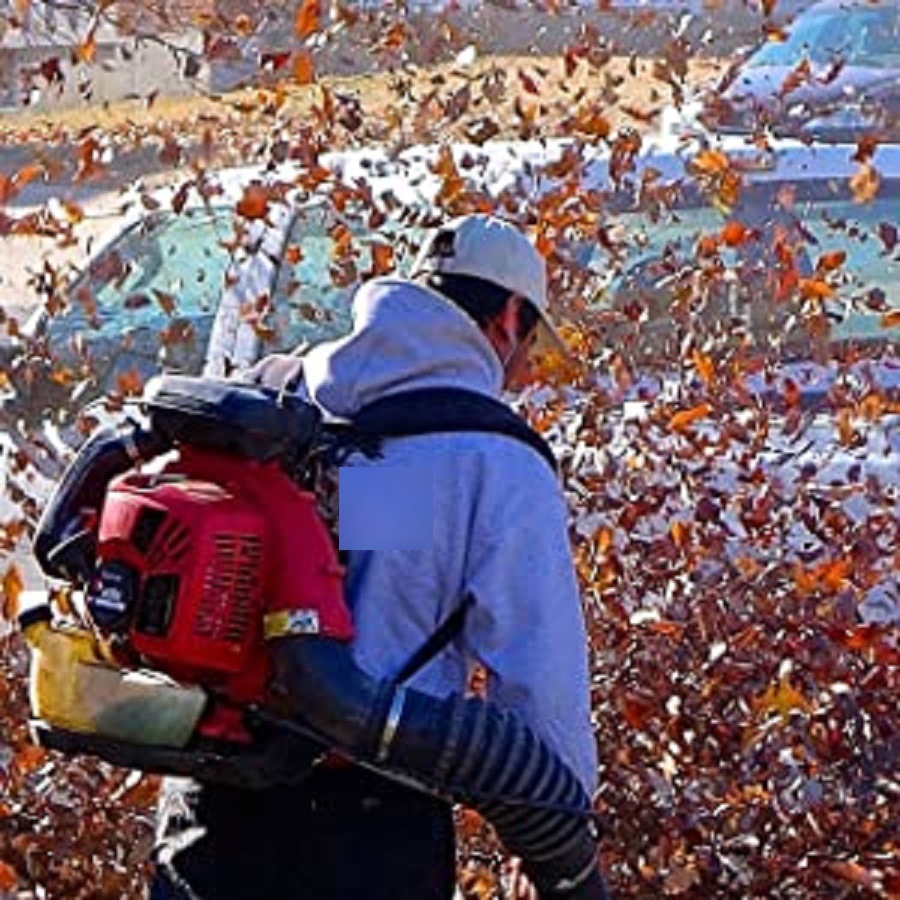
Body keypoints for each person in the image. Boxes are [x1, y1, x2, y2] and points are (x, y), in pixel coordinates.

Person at [149, 213, 602, 899]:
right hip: (369, 825)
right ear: (510, 317)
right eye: (531, 341)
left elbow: (355, 537)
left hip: (211, 797)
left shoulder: (278, 394)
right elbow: (540, 677)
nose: (526, 368)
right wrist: (557, 835)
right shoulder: (492, 460)